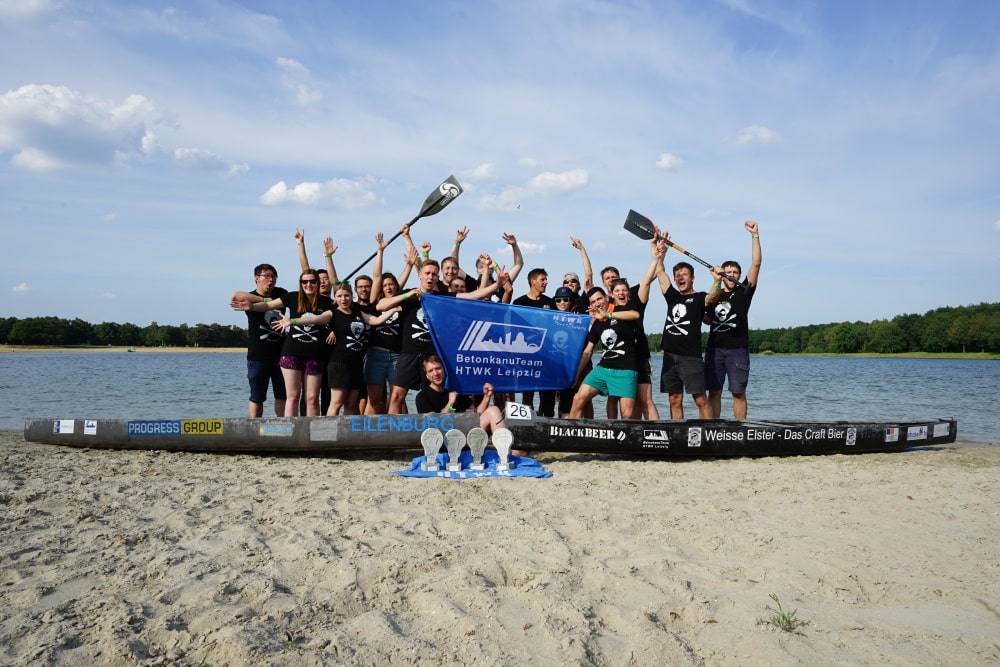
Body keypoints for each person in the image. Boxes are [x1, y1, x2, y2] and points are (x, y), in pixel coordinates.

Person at [378, 259, 509, 414]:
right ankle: (395, 435)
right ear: (419, 274)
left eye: (434, 274)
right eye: (427, 273)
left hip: (433, 355)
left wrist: (497, 285)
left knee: (434, 396)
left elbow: (473, 295)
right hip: (410, 353)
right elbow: (381, 306)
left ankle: (433, 431)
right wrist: (407, 296)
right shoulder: (408, 295)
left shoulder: (442, 297)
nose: (430, 277)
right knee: (396, 397)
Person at [272, 281, 394, 416]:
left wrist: (393, 310)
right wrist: (292, 321)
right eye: (339, 296)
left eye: (347, 295)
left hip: (357, 365)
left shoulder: (357, 311)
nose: (343, 299)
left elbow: (375, 321)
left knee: (351, 405)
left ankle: (347, 435)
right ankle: (328, 433)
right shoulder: (332, 313)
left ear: (351, 296)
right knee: (336, 403)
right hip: (339, 364)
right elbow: (314, 319)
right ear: (335, 298)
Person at [231, 269, 334, 416]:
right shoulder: (292, 297)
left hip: (315, 355)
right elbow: (268, 306)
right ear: (300, 284)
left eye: (313, 281)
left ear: (318, 283)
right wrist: (252, 307)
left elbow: (336, 316)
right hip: (291, 354)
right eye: (305, 282)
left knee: (312, 399)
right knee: (292, 397)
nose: (309, 284)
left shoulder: (328, 302)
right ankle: (289, 433)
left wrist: (334, 331)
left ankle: (312, 434)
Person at [655, 231, 724, 419]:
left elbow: (712, 297)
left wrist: (717, 280)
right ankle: (677, 435)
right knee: (674, 399)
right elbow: (659, 272)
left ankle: (709, 434)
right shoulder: (672, 296)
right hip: (669, 356)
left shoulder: (699, 297)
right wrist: (661, 251)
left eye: (684, 274)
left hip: (690, 357)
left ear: (692, 277)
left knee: (700, 399)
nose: (679, 278)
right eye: (677, 275)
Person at [706, 221, 762, 419]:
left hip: (737, 351)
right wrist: (716, 280)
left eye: (735, 273)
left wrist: (755, 235)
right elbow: (705, 318)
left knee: (738, 392)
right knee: (714, 392)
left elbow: (756, 264)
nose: (731, 275)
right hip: (714, 350)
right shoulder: (714, 293)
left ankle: (740, 429)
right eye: (727, 272)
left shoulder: (744, 292)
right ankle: (713, 428)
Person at [569, 287, 642, 419]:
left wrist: (607, 315)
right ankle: (571, 433)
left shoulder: (619, 310)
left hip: (625, 370)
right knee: (578, 399)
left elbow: (635, 315)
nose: (597, 303)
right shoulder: (597, 324)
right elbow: (588, 351)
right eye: (593, 302)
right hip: (603, 369)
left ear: (606, 298)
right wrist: (577, 375)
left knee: (626, 415)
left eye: (599, 299)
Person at [415, 355, 507, 433]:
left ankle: (504, 449)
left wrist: (487, 397)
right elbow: (435, 425)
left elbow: (477, 414)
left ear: (443, 370)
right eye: (431, 371)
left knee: (493, 410)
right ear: (427, 375)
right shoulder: (422, 397)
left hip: (465, 432)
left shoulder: (454, 390)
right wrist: (450, 403)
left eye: (438, 368)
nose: (435, 373)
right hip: (442, 437)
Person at [242, 263, 288, 417]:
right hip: (258, 356)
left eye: (273, 276)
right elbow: (235, 295)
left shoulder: (281, 293)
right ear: (257, 278)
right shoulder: (249, 297)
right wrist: (265, 300)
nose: (271, 280)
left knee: (282, 395)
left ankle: (283, 427)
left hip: (281, 355)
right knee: (257, 396)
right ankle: (254, 430)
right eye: (267, 276)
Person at [512, 268, 557, 417]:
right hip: (527, 355)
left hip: (547, 356)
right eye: (543, 279)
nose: (546, 282)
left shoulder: (550, 302)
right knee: (527, 393)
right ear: (533, 282)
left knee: (547, 393)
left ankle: (547, 421)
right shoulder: (519, 302)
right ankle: (527, 421)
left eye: (546, 279)